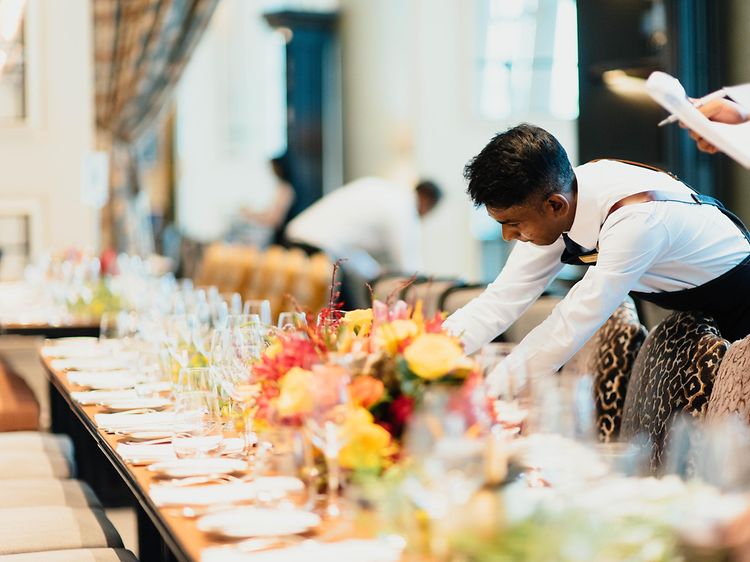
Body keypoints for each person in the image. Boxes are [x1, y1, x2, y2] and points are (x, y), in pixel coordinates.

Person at [443, 124, 750, 394]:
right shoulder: (556, 200)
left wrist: (487, 394)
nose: (508, 236)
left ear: (554, 206)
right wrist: (425, 353)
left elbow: (569, 325)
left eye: (513, 224)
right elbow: (501, 299)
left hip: (741, 301)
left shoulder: (637, 220)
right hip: (687, 302)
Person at [284, 177, 442, 307]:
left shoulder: (388, 192)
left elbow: (348, 246)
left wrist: (374, 271)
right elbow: (410, 268)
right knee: (344, 314)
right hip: (316, 247)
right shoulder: (404, 209)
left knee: (331, 312)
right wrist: (430, 292)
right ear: (427, 201)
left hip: (299, 238)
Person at [239, 154, 296, 246]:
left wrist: (253, 216)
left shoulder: (285, 190)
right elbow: (270, 213)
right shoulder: (280, 188)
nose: (272, 171)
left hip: (281, 237)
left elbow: (274, 220)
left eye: (273, 168)